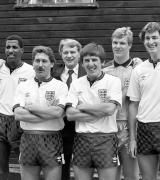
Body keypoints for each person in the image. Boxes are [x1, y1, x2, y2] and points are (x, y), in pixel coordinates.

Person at [127, 22, 160, 180]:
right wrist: (132, 139)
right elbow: (133, 104)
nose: (151, 41)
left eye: (154, 37)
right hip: (144, 129)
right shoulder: (139, 70)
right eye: (147, 38)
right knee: (147, 178)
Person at [66, 42, 122, 180]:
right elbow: (70, 114)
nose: (91, 64)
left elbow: (110, 109)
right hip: (82, 139)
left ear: (102, 62)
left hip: (106, 139)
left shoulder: (113, 81)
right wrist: (99, 111)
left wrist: (82, 106)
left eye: (94, 60)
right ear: (82, 63)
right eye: (87, 61)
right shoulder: (76, 83)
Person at [13, 46, 68, 180]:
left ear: (52, 64)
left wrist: (31, 108)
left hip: (52, 139)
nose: (40, 64)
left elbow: (57, 112)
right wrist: (47, 114)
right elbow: (19, 115)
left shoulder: (60, 86)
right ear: (33, 64)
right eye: (37, 61)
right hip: (28, 138)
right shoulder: (23, 86)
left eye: (44, 61)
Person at [103, 27, 140, 180]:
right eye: (115, 42)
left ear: (130, 45)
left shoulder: (138, 68)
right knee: (110, 176)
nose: (117, 46)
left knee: (132, 176)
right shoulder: (104, 71)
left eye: (122, 43)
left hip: (130, 127)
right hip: (108, 128)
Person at [0, 35, 35, 180]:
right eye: (8, 47)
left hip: (20, 122)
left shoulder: (31, 71)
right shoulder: (0, 67)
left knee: (27, 165)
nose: (11, 50)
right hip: (1, 120)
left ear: (22, 50)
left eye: (14, 47)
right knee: (1, 169)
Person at [52, 38, 86, 180]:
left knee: (84, 167)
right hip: (61, 128)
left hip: (83, 125)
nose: (69, 55)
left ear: (79, 54)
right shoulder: (54, 71)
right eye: (65, 52)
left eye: (73, 52)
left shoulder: (88, 69)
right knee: (62, 166)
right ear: (61, 54)